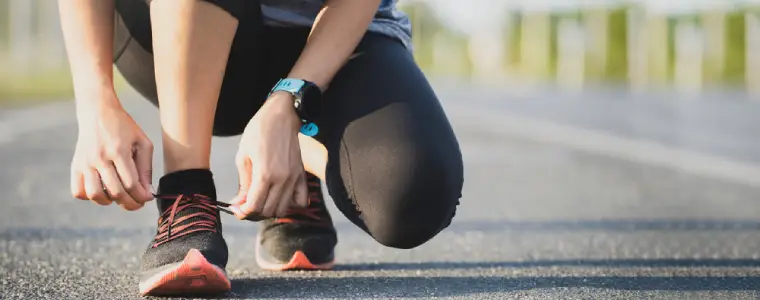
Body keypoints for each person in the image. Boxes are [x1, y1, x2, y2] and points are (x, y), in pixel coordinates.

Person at [59, 0, 463, 296]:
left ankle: (293, 165)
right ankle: (188, 195)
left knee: (412, 191)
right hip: (181, 24)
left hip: (336, 35)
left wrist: (291, 101)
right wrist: (95, 100)